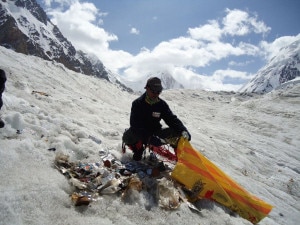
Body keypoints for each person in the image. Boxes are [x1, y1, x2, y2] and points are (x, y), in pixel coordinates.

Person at [122, 77, 191, 161]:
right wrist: (149, 138)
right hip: (141, 132)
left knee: (177, 133)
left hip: (156, 132)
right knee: (127, 137)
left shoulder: (162, 105)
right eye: (153, 91)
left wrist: (183, 130)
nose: (156, 94)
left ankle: (180, 160)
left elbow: (172, 119)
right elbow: (135, 125)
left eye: (158, 92)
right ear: (147, 88)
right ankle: (138, 150)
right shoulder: (137, 103)